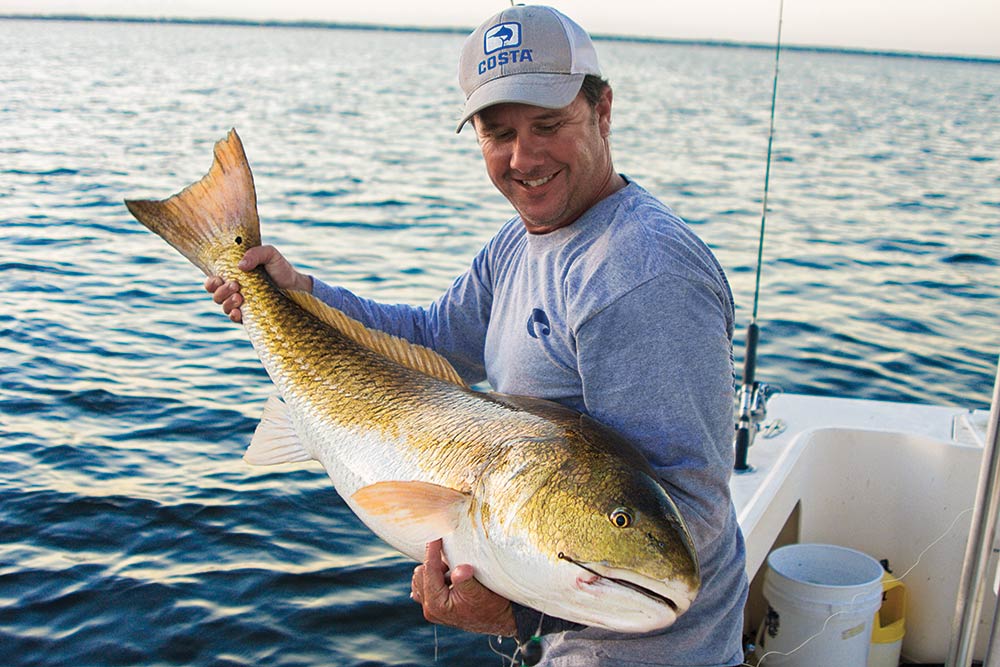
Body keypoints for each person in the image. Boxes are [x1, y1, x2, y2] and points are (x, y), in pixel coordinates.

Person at [207, 5, 748, 666]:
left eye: (549, 125)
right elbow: (436, 337)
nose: (523, 157)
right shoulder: (519, 244)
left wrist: (518, 609)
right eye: (498, 133)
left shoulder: (641, 275)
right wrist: (298, 294)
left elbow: (691, 503)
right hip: (562, 631)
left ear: (603, 111)